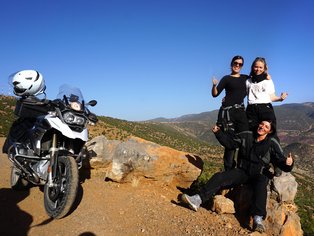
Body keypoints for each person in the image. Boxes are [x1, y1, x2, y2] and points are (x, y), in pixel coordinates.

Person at [180, 120, 294, 233]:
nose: (262, 127)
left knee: (261, 188)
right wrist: (218, 133)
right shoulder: (247, 136)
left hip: (259, 173)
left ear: (270, 131)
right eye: (261, 124)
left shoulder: (271, 143)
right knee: (219, 177)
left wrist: (288, 163)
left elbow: (280, 160)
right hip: (242, 171)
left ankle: (257, 220)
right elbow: (230, 143)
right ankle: (197, 199)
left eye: (266, 127)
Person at [211, 55, 249, 170]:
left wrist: (267, 76)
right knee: (229, 143)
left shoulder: (246, 78)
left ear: (242, 66)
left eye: (240, 64)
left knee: (245, 139)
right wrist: (214, 85)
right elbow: (215, 94)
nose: (237, 65)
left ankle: (241, 169)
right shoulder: (226, 78)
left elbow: (259, 78)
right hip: (228, 114)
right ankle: (228, 170)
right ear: (231, 64)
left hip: (241, 112)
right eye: (235, 63)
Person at [246, 57, 288, 135]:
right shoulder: (248, 81)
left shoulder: (268, 81)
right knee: (252, 134)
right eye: (256, 67)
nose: (258, 69)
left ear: (264, 68)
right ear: (252, 67)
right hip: (251, 110)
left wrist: (280, 98)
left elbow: (272, 97)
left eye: (260, 67)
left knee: (270, 135)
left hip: (265, 109)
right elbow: (242, 94)